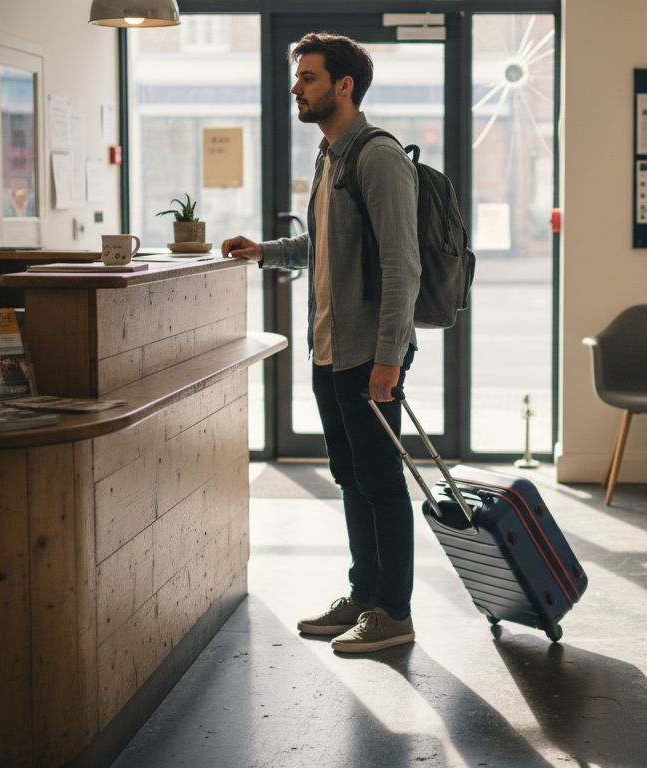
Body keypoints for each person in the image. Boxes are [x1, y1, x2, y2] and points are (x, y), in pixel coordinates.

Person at [221, 32, 421, 654]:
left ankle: (395, 611)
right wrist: (266, 252)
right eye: (297, 77)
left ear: (344, 86)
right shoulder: (329, 156)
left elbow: (401, 265)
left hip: (369, 352)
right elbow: (322, 247)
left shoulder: (377, 156)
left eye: (308, 78)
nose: (296, 88)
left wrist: (388, 357)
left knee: (381, 480)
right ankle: (365, 595)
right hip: (330, 347)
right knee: (351, 477)